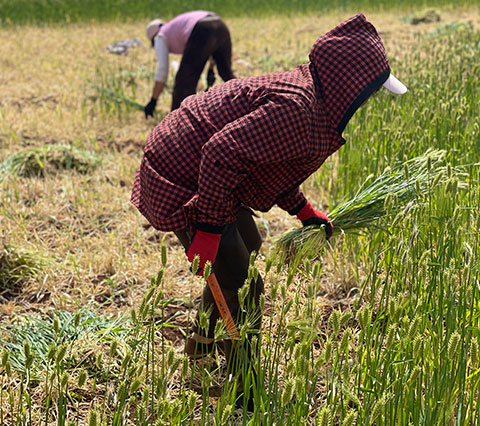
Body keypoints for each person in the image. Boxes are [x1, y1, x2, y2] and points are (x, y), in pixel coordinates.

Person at [130, 13, 406, 408]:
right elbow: (221, 152)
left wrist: (303, 209)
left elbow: (264, 160)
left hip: (204, 167)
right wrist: (207, 230)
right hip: (181, 170)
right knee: (246, 285)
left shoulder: (313, 103)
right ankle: (244, 390)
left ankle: (202, 341)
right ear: (350, 88)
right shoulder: (299, 109)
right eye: (370, 93)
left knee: (249, 245)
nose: (369, 101)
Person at [143, 10, 236, 118]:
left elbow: (162, 70)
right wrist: (211, 70)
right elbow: (211, 46)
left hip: (202, 28)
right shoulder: (174, 27)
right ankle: (247, 103)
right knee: (227, 74)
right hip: (220, 25)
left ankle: (176, 123)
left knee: (183, 83)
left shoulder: (160, 36)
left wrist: (153, 101)